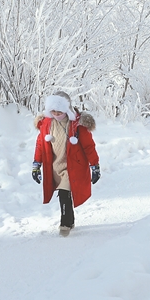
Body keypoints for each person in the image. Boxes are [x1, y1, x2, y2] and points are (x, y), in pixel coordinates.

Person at [32, 91, 100, 236]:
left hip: (73, 167)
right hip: (55, 166)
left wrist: (95, 166)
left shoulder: (77, 124)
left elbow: (89, 146)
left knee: (64, 193)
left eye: (59, 110)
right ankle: (71, 220)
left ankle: (65, 224)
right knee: (65, 194)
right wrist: (36, 165)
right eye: (53, 110)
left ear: (66, 108)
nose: (56, 113)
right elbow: (40, 145)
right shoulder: (46, 123)